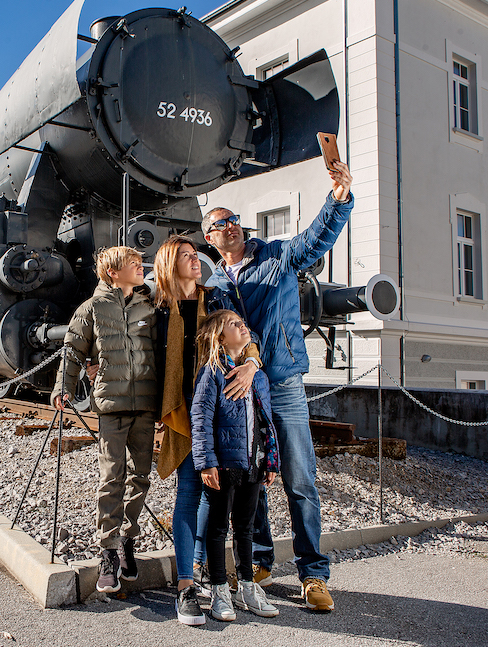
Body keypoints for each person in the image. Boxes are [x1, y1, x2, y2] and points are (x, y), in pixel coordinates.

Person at [202, 159, 353, 612]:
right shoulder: (215, 283)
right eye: (219, 223)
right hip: (243, 388)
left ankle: (313, 574)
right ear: (209, 238)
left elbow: (315, 239)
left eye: (233, 219)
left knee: (300, 479)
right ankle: (261, 561)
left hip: (282, 382)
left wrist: (339, 200)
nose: (229, 226)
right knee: (254, 478)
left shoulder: (277, 256)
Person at [151, 236, 263, 625]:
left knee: (211, 494)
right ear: (169, 264)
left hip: (220, 406)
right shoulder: (156, 308)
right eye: (185, 256)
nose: (195, 259)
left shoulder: (214, 299)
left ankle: (201, 567)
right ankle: (185, 586)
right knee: (189, 492)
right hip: (184, 411)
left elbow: (246, 337)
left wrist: (251, 365)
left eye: (195, 254)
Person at [52, 246, 156, 594]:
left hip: (145, 404)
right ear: (113, 271)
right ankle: (108, 551)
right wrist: (63, 388)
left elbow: (159, 350)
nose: (140, 268)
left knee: (140, 477)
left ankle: (127, 540)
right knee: (112, 476)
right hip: (111, 405)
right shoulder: (92, 308)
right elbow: (72, 349)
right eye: (133, 264)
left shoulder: (147, 306)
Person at [191, 310, 280, 622]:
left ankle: (247, 587)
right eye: (234, 324)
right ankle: (219, 589)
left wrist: (271, 461)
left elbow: (267, 422)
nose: (243, 326)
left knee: (245, 527)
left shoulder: (258, 377)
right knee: (217, 528)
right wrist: (206, 463)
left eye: (243, 322)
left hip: (252, 464)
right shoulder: (211, 373)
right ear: (219, 337)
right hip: (224, 465)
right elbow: (201, 419)